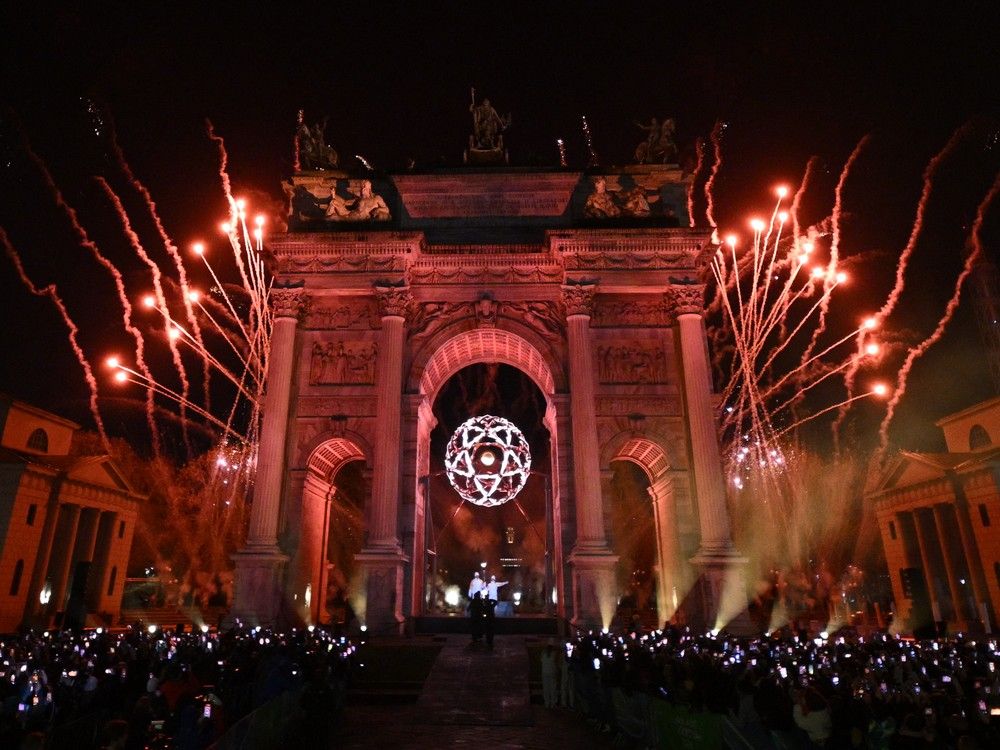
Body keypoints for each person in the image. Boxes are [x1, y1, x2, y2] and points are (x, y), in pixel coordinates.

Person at [540, 640, 558, 708]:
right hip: (552, 672)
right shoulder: (554, 653)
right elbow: (555, 663)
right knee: (553, 688)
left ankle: (547, 703)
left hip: (544, 672)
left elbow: (541, 661)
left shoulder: (543, 653)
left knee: (546, 688)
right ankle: (553, 703)